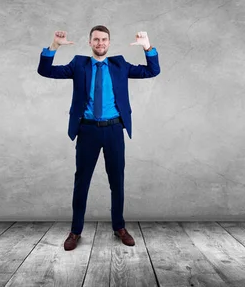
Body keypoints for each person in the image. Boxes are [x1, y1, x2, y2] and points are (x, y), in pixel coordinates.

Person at [37, 25, 160, 251]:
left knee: (117, 181)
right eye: (96, 40)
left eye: (104, 40)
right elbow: (45, 71)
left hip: (113, 130)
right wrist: (54, 46)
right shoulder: (79, 65)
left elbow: (152, 71)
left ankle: (119, 227)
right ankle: (75, 231)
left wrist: (147, 47)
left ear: (109, 43)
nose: (100, 43)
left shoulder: (119, 65)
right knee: (81, 182)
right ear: (90, 42)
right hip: (88, 131)